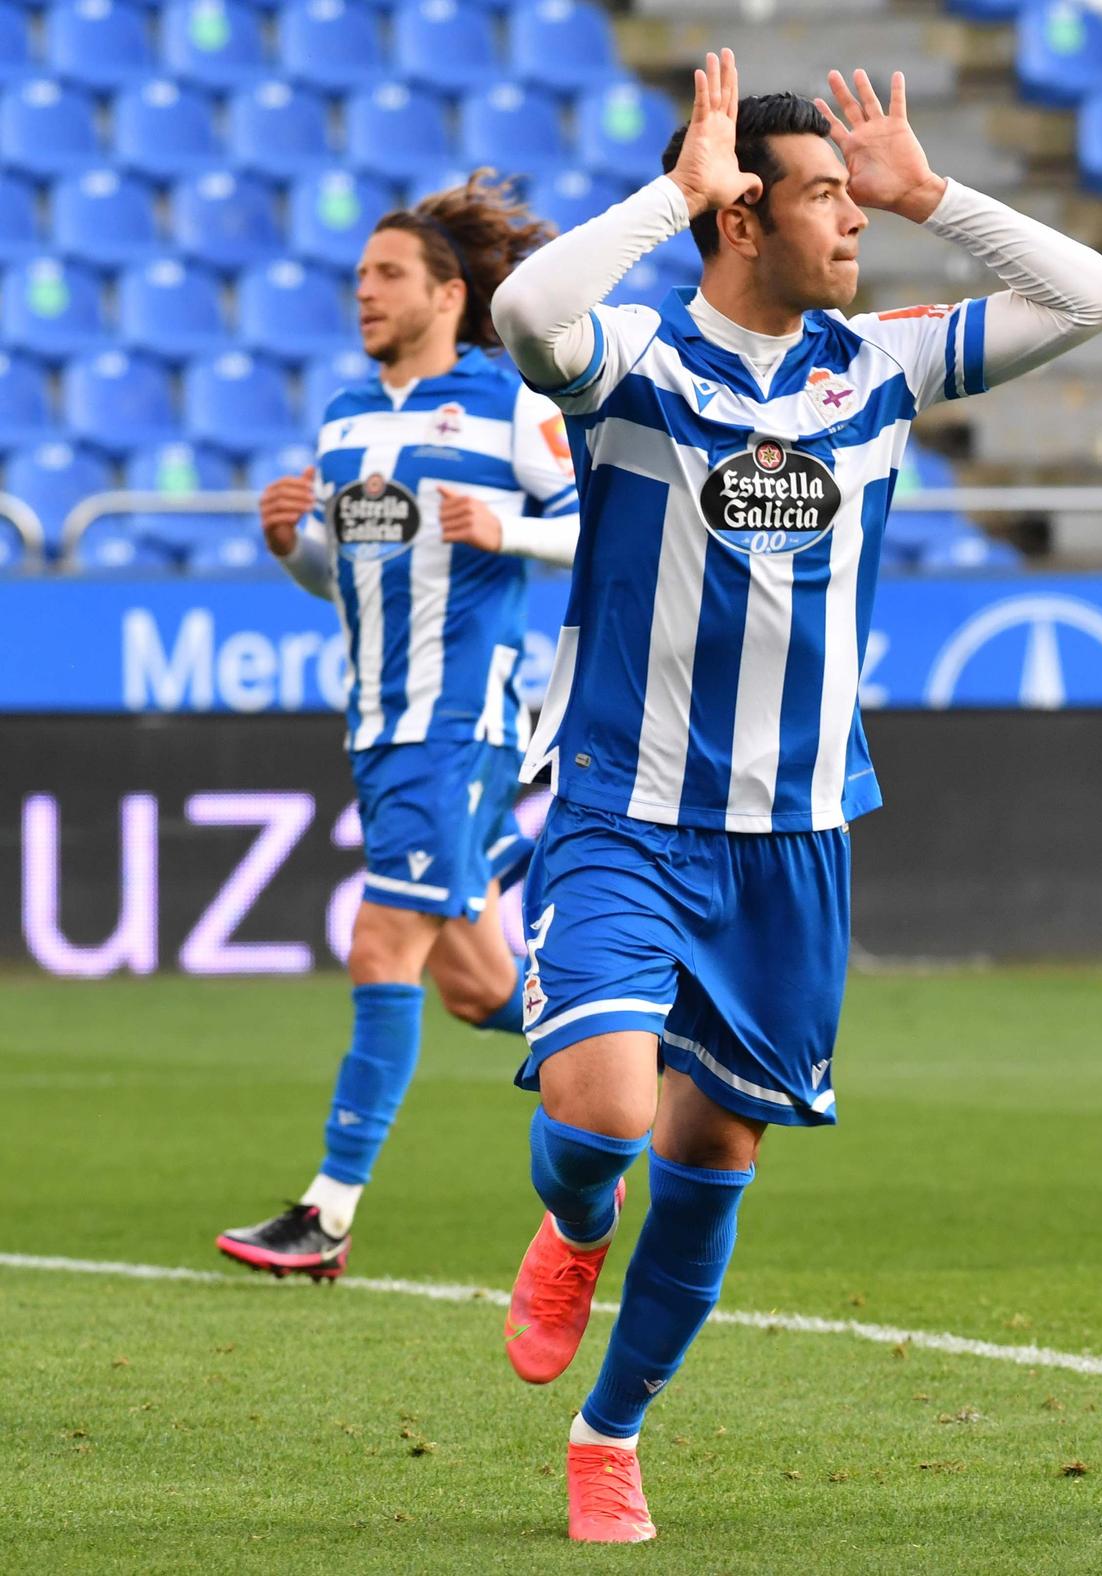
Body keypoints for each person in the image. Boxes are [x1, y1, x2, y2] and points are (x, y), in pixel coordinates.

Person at [489, 51, 1102, 1542]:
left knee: (712, 1157)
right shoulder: (635, 366)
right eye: (830, 198)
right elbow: (525, 312)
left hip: (796, 836)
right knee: (601, 1115)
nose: (857, 223)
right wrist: (671, 191)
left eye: (861, 200)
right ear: (740, 217)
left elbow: (1092, 297)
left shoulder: (877, 367)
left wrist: (938, 194)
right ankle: (575, 1219)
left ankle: (612, 1433)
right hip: (625, 810)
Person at [216, 172, 582, 1281]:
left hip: (459, 723)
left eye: (387, 275)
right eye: (359, 275)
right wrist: (294, 548)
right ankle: (653, 1052)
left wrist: (511, 525)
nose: (363, 292)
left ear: (449, 293)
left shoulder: (514, 406)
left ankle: (326, 1211)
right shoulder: (343, 421)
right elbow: (348, 581)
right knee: (476, 984)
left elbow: (606, 534)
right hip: (378, 726)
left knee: (381, 941)